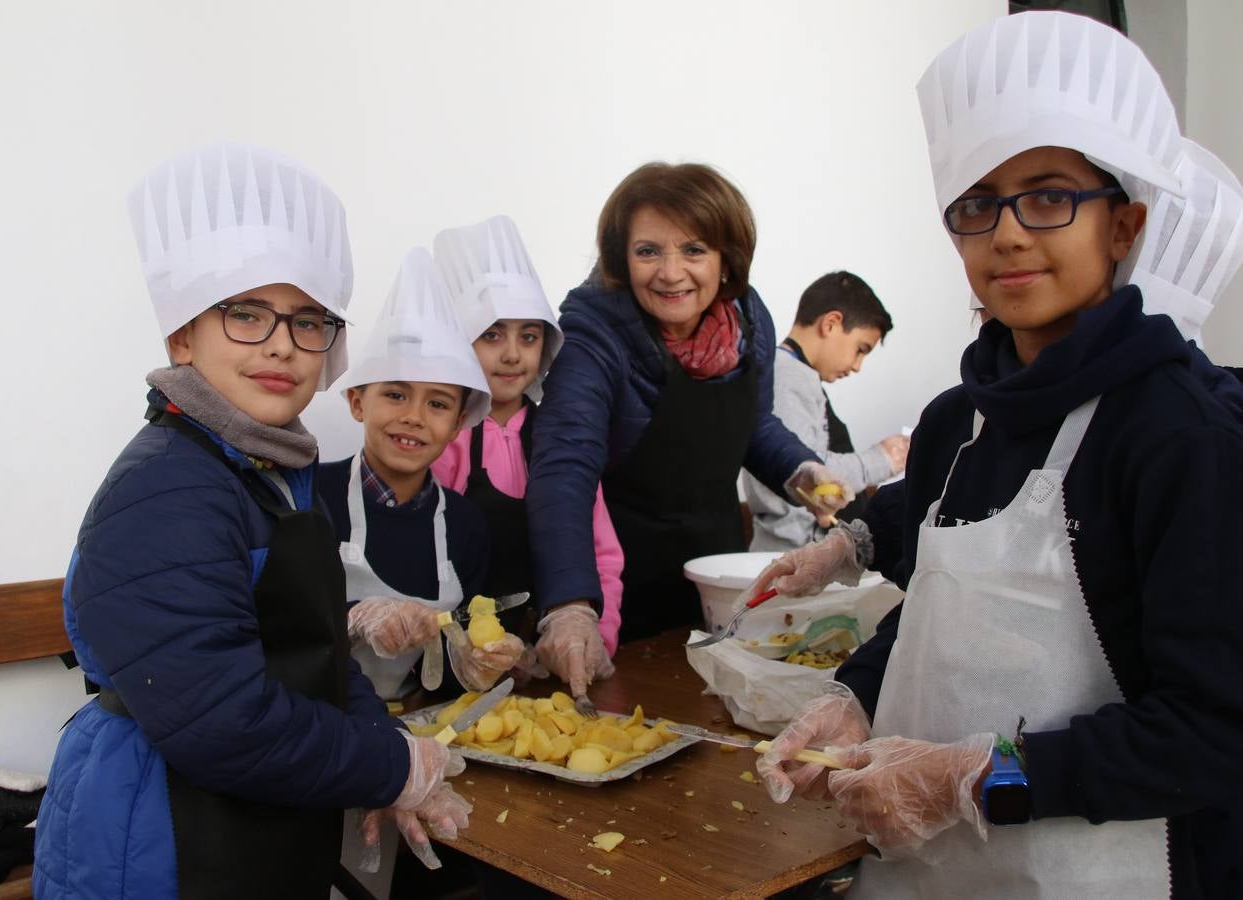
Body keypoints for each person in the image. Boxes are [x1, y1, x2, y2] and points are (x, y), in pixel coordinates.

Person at [754, 13, 1243, 899]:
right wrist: (857, 695)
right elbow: (942, 626)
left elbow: (1210, 731)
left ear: (1123, 225)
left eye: (1049, 195)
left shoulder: (1175, 435)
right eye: (978, 204)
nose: (1009, 234)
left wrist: (975, 779)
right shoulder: (956, 424)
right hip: (923, 870)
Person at [33, 144, 469, 899]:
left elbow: (315, 657)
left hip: (255, 818)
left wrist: (386, 744)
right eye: (245, 313)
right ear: (181, 337)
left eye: (307, 322)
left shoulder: (267, 473)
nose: (280, 344)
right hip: (158, 837)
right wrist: (392, 767)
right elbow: (220, 719)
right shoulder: (168, 486)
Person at [525, 162, 851, 695]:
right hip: (622, 587)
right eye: (648, 251)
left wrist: (801, 471)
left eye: (694, 250)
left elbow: (751, 423)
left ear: (727, 260)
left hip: (716, 580)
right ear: (620, 258)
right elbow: (563, 467)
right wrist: (568, 604)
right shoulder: (595, 332)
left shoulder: (749, 320)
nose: (671, 272)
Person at [320, 247, 525, 701]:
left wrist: (475, 665)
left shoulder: (466, 526)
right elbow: (275, 631)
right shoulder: (311, 498)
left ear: (457, 424)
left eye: (437, 403)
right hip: (319, 727)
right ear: (357, 402)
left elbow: (448, 670)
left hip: (417, 729)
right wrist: (352, 615)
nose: (414, 417)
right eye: (395, 394)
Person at [430, 215, 626, 656]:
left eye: (529, 335)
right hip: (464, 665)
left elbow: (604, 557)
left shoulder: (560, 438)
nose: (514, 354)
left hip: (550, 658)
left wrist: (597, 639)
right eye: (492, 334)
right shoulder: (444, 439)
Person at [744, 271, 907, 551]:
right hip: (790, 552)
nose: (857, 366)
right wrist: (883, 459)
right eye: (861, 349)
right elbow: (808, 470)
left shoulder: (795, 374)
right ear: (831, 324)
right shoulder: (786, 375)